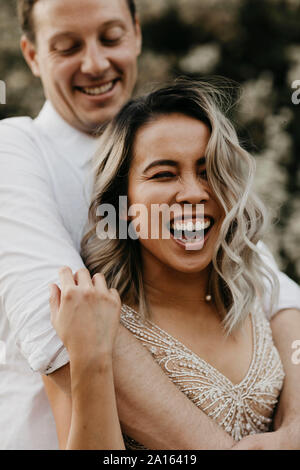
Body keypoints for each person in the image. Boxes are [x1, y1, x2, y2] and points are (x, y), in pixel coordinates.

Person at [0, 0, 299, 450]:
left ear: (136, 33)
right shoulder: (14, 151)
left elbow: (277, 291)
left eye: (111, 37)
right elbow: (57, 324)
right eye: (67, 46)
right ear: (32, 54)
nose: (96, 62)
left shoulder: (172, 133)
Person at [47, 79, 288, 449]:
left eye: (208, 171)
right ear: (122, 203)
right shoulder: (88, 319)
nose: (194, 192)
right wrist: (91, 361)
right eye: (163, 174)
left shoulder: (256, 292)